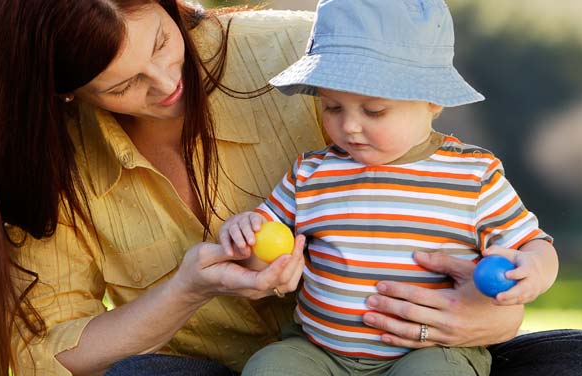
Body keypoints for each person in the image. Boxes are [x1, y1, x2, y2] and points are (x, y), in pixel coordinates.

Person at [0, 0, 582, 375]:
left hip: (417, 353)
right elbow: (38, 356)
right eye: (120, 85)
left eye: (162, 44)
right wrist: (187, 289)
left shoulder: (304, 55)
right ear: (60, 92)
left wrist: (495, 314)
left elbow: (500, 227)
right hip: (262, 370)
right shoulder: (46, 162)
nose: (164, 83)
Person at [216, 1, 556, 375]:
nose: (350, 127)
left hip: (429, 352)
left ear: (433, 100)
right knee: (269, 367)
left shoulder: (473, 175)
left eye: (374, 111)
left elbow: (532, 244)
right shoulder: (310, 172)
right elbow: (262, 251)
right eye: (332, 107)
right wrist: (245, 236)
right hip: (320, 352)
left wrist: (535, 271)